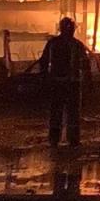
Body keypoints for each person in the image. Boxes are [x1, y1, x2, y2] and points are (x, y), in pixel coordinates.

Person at [40, 17, 89, 148]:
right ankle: (72, 140)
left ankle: (55, 139)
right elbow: (85, 64)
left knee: (57, 112)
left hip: (59, 83)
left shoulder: (54, 43)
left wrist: (44, 77)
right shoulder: (77, 45)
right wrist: (88, 82)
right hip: (71, 83)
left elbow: (44, 62)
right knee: (71, 113)